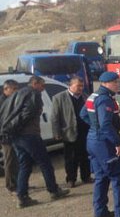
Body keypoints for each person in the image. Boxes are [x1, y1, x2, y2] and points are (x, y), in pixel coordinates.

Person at [80, 72, 120, 217]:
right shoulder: (104, 100)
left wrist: (94, 127)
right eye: (115, 82)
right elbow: (106, 125)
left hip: (93, 140)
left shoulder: (93, 96)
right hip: (104, 143)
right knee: (118, 176)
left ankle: (100, 211)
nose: (117, 85)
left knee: (101, 177)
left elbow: (83, 114)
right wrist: (118, 143)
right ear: (106, 84)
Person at [2, 76, 69, 208]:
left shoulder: (17, 95)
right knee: (45, 163)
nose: (43, 89)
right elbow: (28, 113)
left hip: (16, 136)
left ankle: (22, 197)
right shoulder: (33, 93)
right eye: (42, 85)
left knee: (25, 165)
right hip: (29, 135)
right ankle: (54, 190)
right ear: (35, 83)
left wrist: (12, 130)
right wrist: (17, 127)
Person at [51, 76, 91, 188]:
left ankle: (86, 176)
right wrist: (56, 132)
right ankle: (71, 179)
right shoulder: (59, 98)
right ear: (71, 85)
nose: (80, 88)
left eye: (82, 86)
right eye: (78, 86)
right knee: (71, 158)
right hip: (69, 132)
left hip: (85, 131)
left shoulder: (85, 97)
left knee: (85, 155)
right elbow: (55, 117)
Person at [0, 79, 19, 193]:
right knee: (10, 160)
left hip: (14, 134)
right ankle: (11, 186)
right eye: (14, 89)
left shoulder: (12, 99)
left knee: (16, 160)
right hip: (6, 136)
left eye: (17, 88)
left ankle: (17, 182)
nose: (16, 91)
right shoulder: (2, 101)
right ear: (6, 89)